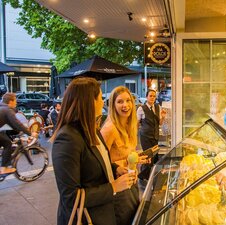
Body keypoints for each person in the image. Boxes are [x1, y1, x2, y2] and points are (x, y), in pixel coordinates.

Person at [51, 77, 135, 225]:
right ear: (89, 102)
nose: (103, 102)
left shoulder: (92, 130)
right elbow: (71, 197)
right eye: (100, 98)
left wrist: (115, 169)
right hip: (86, 218)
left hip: (103, 212)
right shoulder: (67, 138)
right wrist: (113, 187)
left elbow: (97, 162)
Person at [101, 86, 148, 225]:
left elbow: (126, 154)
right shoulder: (109, 129)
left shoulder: (130, 125)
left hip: (132, 180)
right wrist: (119, 167)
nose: (125, 105)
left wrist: (138, 157)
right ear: (113, 105)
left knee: (134, 218)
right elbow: (100, 161)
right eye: (120, 101)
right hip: (119, 187)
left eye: (128, 100)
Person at [0, 92, 38, 174]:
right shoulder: (8, 110)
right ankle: (4, 168)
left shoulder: (2, 107)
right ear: (10, 101)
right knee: (7, 144)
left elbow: (11, 125)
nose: (16, 102)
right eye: (15, 101)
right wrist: (30, 133)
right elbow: (17, 124)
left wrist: (19, 133)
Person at [136, 89, 166, 181]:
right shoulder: (141, 108)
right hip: (145, 136)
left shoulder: (158, 107)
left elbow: (160, 123)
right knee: (148, 156)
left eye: (154, 96)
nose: (152, 98)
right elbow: (137, 123)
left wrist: (163, 117)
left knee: (154, 156)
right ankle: (145, 176)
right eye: (150, 96)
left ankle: (147, 175)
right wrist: (134, 135)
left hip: (155, 136)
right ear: (146, 97)